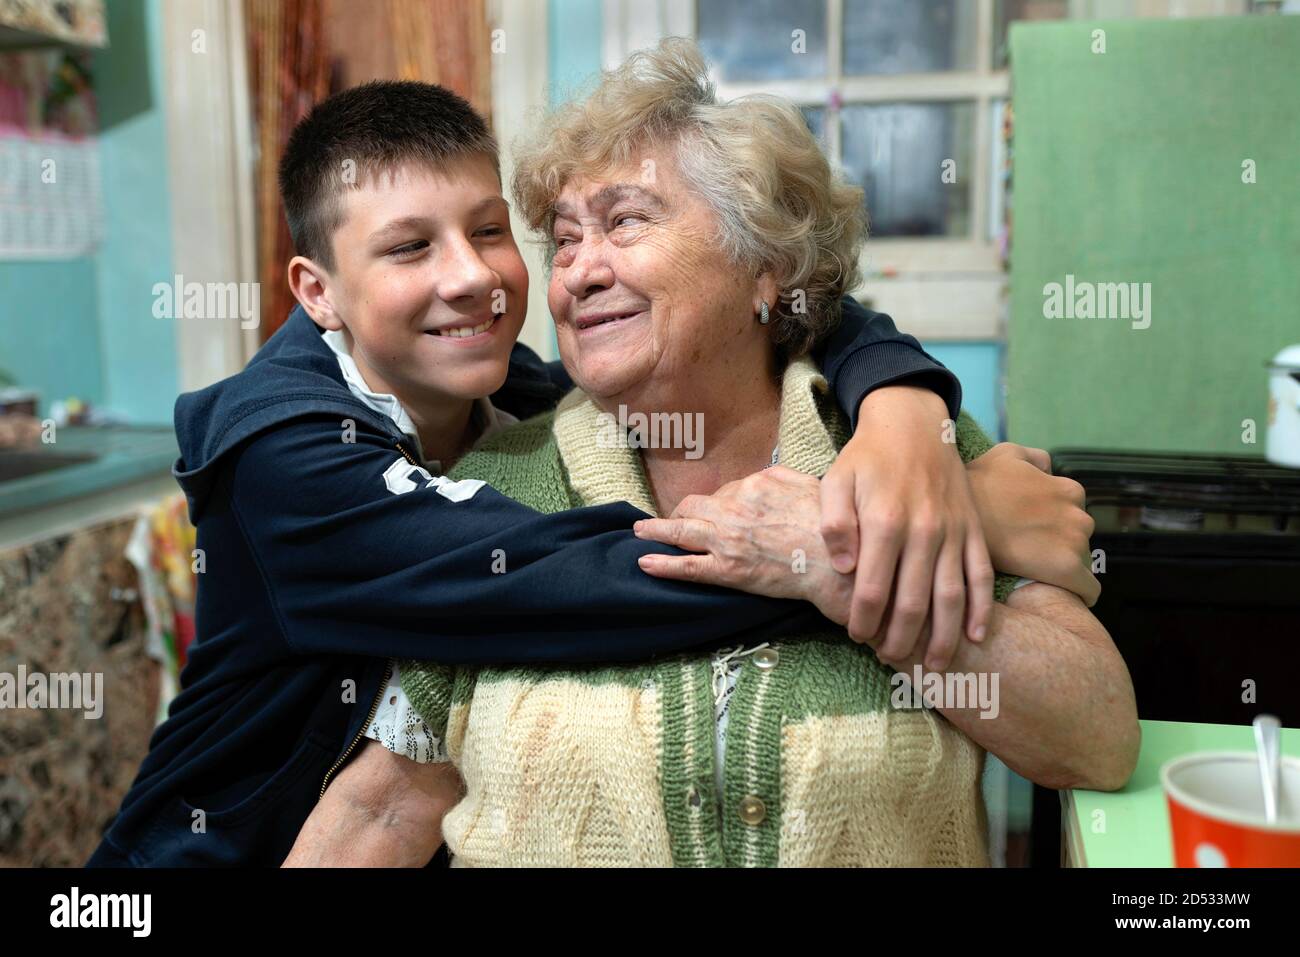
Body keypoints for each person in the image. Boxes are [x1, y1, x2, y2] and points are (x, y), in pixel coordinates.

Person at [89, 75, 1010, 867]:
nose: (473, 278)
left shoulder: (521, 393)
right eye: (411, 247)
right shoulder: (282, 457)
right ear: (317, 291)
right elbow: (558, 582)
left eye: (491, 232)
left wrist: (899, 407)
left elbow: (770, 301)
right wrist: (871, 547)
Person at [286, 40, 1133, 868]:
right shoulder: (494, 487)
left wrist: (835, 569)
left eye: (624, 222)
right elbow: (389, 802)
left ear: (763, 264)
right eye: (565, 240)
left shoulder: (904, 450)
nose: (579, 273)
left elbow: (1095, 738)